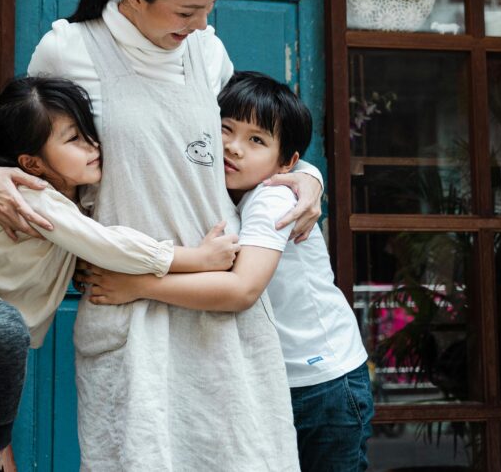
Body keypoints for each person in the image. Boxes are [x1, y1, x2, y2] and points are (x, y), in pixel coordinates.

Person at [0, 0, 322, 471]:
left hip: (215, 302)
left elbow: (254, 143)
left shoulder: (207, 54)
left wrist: (309, 176)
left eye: (210, 8)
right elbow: (14, 151)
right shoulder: (71, 51)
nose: (203, 24)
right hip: (126, 309)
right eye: (187, 10)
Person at [0, 77, 240, 472]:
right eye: (74, 139)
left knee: (8, 332)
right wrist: (197, 258)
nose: (92, 146)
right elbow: (106, 244)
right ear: (33, 163)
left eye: (89, 134)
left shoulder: (83, 193)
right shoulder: (33, 192)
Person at [81, 72, 375, 471]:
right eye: (225, 130)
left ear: (286, 163)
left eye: (257, 140)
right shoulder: (213, 191)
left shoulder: (271, 198)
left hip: (323, 383)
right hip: (269, 379)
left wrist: (139, 285)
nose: (233, 148)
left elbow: (242, 290)